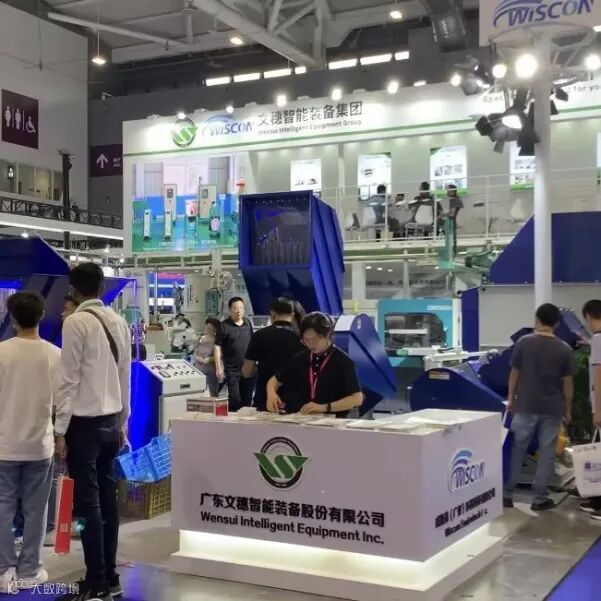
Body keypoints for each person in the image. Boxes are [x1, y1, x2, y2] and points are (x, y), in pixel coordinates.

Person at [55, 263, 132, 601]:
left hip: (84, 426)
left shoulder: (76, 322)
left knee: (88, 504)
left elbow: (68, 380)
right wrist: (124, 421)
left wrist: (59, 430)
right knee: (107, 500)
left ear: (73, 290)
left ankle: (96, 581)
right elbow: (125, 376)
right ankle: (110, 576)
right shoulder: (119, 321)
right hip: (112, 423)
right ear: (102, 288)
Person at [0, 292, 63, 593]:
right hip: (40, 445)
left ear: (12, 318)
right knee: (37, 509)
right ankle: (30, 569)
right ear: (41, 316)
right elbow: (62, 403)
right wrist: (61, 435)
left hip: (4, 445)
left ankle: (4, 569)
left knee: (3, 507)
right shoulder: (54, 355)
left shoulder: (1, 352)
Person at [503, 303, 576, 511]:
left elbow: (514, 374)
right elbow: (568, 384)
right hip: (552, 409)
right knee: (547, 453)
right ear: (557, 323)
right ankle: (539, 499)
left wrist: (511, 399)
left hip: (525, 405)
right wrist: (568, 409)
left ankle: (507, 494)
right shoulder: (564, 349)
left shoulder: (524, 343)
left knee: (517, 450)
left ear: (537, 319)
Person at [266, 312, 363, 417]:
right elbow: (275, 380)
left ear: (328, 335)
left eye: (315, 339)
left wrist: (325, 407)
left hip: (332, 420)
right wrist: (271, 394)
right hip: (302, 419)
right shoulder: (300, 358)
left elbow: (357, 398)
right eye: (306, 340)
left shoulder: (343, 361)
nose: (311, 344)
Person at [243, 298, 304, 411]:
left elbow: (247, 372)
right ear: (292, 315)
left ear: (273, 314)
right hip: (295, 399)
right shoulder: (302, 338)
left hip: (265, 399)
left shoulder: (259, 336)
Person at [579, 300, 601, 520]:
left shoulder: (598, 339)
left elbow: (599, 378)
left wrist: (598, 411)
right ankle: (595, 498)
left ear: (588, 316)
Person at [215, 297, 254, 411]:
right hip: (232, 370)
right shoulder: (224, 326)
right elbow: (217, 346)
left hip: (248, 369)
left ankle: (245, 421)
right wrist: (218, 366)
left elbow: (252, 342)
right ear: (230, 309)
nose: (238, 311)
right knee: (235, 399)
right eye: (235, 308)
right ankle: (232, 419)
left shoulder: (247, 323)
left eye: (241, 308)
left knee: (247, 401)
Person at [194, 318, 221, 397]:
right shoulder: (200, 338)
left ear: (215, 329)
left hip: (211, 371)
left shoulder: (217, 340)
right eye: (207, 326)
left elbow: (221, 355)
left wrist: (210, 359)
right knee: (198, 392)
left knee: (213, 392)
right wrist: (197, 357)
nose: (208, 329)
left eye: (211, 327)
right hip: (199, 369)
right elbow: (195, 351)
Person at [444, 184, 464, 255]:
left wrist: (442, 214)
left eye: (448, 190)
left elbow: (452, 214)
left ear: (452, 192)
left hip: (451, 221)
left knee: (452, 238)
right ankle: (452, 252)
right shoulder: (453, 200)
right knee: (452, 238)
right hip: (451, 221)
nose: (447, 191)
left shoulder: (455, 200)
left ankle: (453, 252)